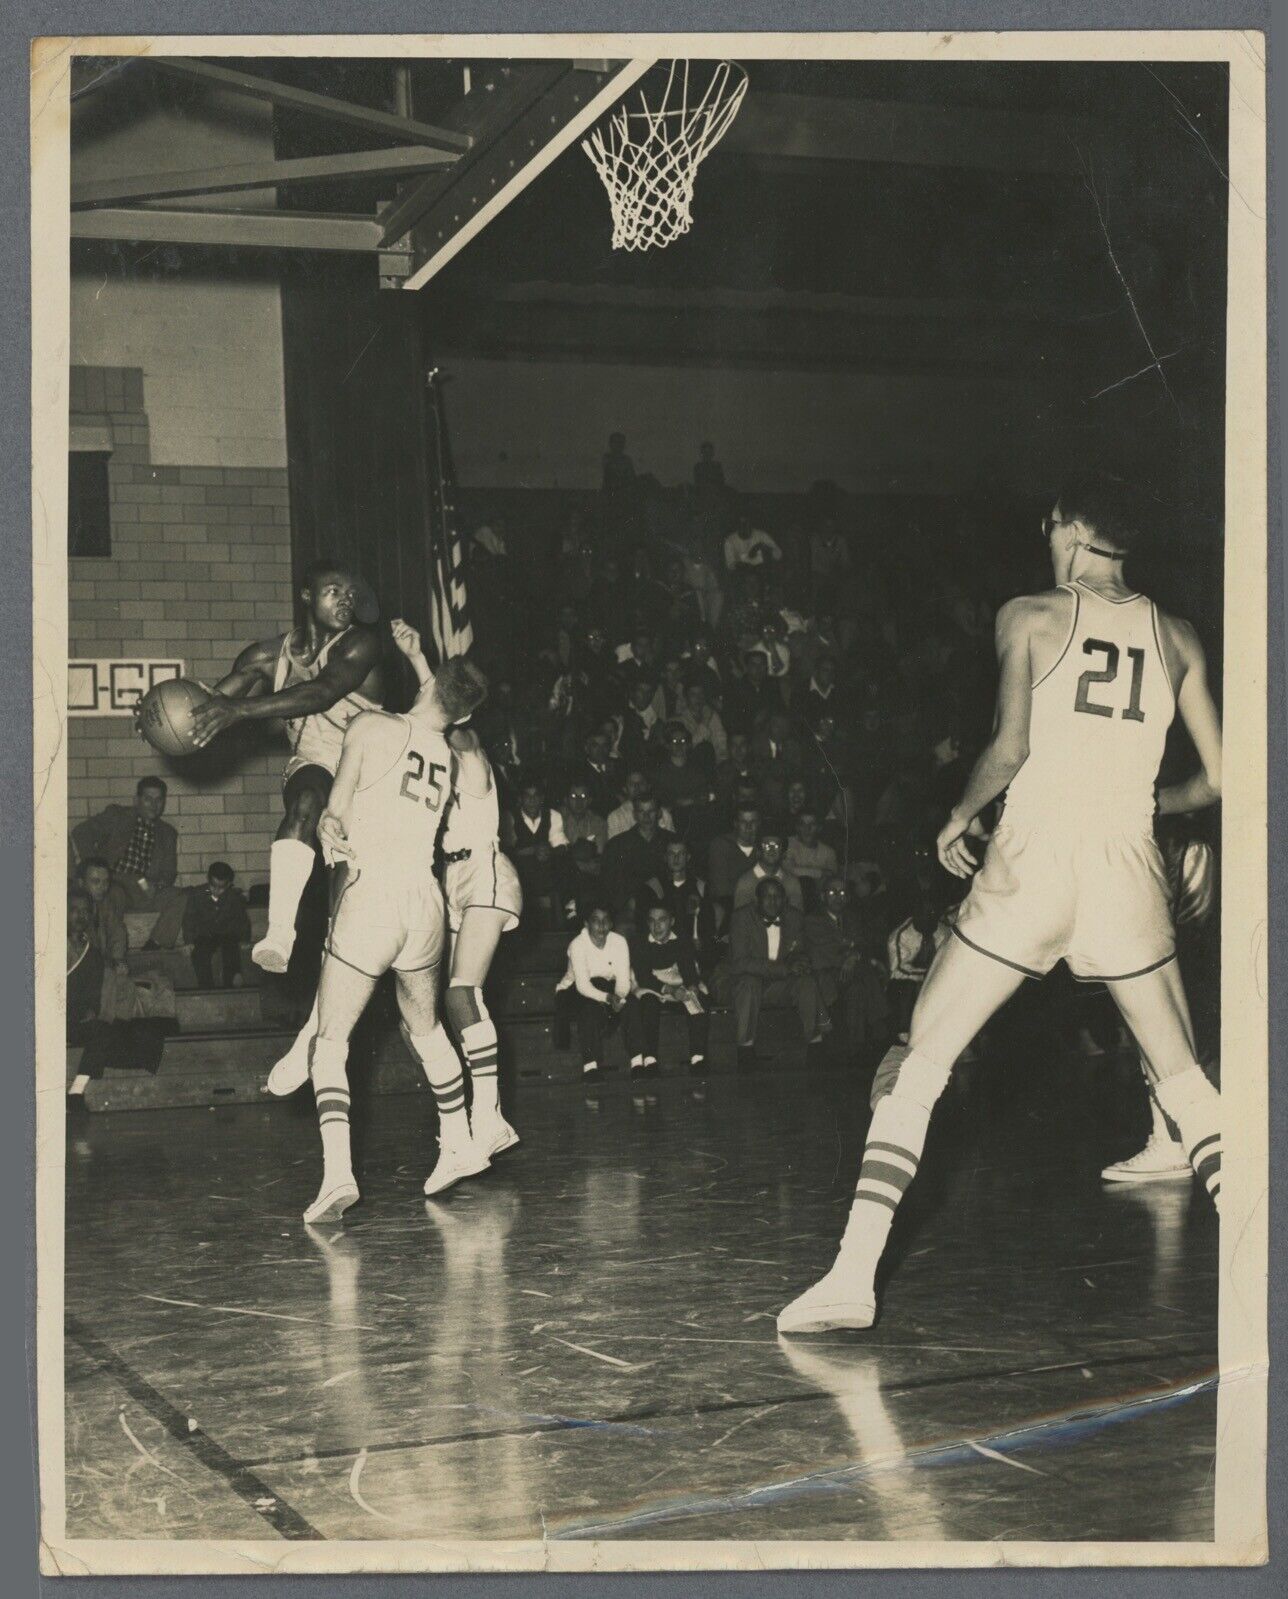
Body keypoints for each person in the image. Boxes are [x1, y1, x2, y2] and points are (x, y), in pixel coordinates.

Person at [779, 471, 1223, 1333]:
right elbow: (1222, 778)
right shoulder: (1179, 635)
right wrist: (1146, 803)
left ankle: (850, 1277)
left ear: (1071, 529)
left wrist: (957, 812)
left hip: (1035, 860)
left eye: (1051, 525)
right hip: (1127, 865)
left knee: (924, 1058)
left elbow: (1010, 746)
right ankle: (1265, 1274)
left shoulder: (1027, 614)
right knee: (1188, 1083)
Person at [284, 651, 489, 1225]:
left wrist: (328, 830)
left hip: (373, 896)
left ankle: (337, 1176)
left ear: (429, 684)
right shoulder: (448, 757)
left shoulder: (370, 726)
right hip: (424, 902)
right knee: (423, 1027)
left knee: (331, 1040)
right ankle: (460, 1140)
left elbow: (337, 810)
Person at [185, 560, 384, 974]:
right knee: (306, 798)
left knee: (350, 898)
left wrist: (239, 710)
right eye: (334, 591)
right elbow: (206, 709)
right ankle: (279, 933)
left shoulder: (360, 644)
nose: (346, 601)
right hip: (315, 761)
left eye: (352, 595)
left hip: (370, 773)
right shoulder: (265, 655)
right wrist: (159, 718)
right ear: (307, 596)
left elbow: (322, 691)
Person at [719, 877, 823, 1071]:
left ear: (785, 900)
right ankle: (745, 1050)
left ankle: (815, 1044)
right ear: (757, 900)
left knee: (807, 982)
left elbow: (800, 951)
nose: (773, 901)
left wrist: (800, 962)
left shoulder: (794, 917)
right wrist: (784, 968)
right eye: (767, 896)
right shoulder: (741, 917)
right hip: (741, 984)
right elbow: (740, 963)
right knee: (749, 983)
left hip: (777, 985)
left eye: (778, 897)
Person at [71, 777, 186, 948]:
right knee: (113, 896)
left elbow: (169, 872)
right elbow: (81, 832)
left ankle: (155, 944)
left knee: (181, 896)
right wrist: (94, 867)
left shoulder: (168, 833)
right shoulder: (117, 816)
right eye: (148, 799)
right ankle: (107, 951)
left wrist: (158, 886)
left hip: (143, 887)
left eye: (158, 800)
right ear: (137, 800)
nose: (153, 805)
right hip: (114, 881)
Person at [806, 877, 889, 1058]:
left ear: (849, 898)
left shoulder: (852, 918)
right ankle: (880, 1023)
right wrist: (855, 954)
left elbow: (862, 943)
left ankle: (855, 1045)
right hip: (826, 974)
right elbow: (829, 950)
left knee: (858, 988)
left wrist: (854, 954)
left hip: (849, 974)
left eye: (843, 893)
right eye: (832, 892)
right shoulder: (813, 920)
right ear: (822, 897)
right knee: (867, 971)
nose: (838, 897)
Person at [556, 903, 637, 1082]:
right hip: (574, 990)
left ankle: (638, 1062)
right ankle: (590, 1067)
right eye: (595, 921)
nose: (601, 926)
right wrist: (609, 998)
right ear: (586, 924)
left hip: (608, 988)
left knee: (631, 1003)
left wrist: (620, 998)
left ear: (611, 924)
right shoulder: (577, 944)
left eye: (606, 920)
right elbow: (583, 986)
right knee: (589, 1009)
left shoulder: (619, 941)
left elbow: (623, 980)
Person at [630, 904, 709, 1075]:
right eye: (651, 921)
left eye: (662, 920)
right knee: (648, 1003)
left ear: (672, 921)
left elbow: (688, 969)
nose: (656, 926)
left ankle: (698, 1058)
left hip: (675, 980)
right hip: (650, 985)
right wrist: (670, 990)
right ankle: (650, 1059)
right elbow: (643, 976)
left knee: (698, 998)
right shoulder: (639, 942)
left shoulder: (681, 940)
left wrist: (691, 985)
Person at [182, 861, 251, 989]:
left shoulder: (234, 897)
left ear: (229, 884)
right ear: (208, 880)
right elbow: (189, 919)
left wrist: (245, 939)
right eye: (213, 886)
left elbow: (242, 920)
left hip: (226, 934)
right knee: (199, 953)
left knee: (231, 949)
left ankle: (231, 986)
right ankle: (206, 988)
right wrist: (188, 941)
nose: (216, 890)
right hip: (205, 934)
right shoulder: (197, 894)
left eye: (221, 887)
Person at [733, 829, 805, 913]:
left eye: (776, 846)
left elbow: (796, 917)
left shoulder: (792, 882)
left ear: (783, 853)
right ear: (758, 851)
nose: (771, 849)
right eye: (766, 845)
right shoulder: (745, 882)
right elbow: (740, 919)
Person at [785, 809, 839, 911]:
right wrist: (821, 872)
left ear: (819, 827)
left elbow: (833, 878)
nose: (807, 829)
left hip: (820, 904)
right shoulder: (788, 844)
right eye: (802, 824)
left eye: (812, 824)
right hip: (792, 903)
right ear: (797, 827)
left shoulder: (829, 852)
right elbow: (789, 869)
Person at [606, 772, 673, 841]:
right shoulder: (616, 816)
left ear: (648, 786)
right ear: (625, 789)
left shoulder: (664, 814)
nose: (637, 786)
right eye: (632, 784)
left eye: (641, 783)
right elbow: (616, 846)